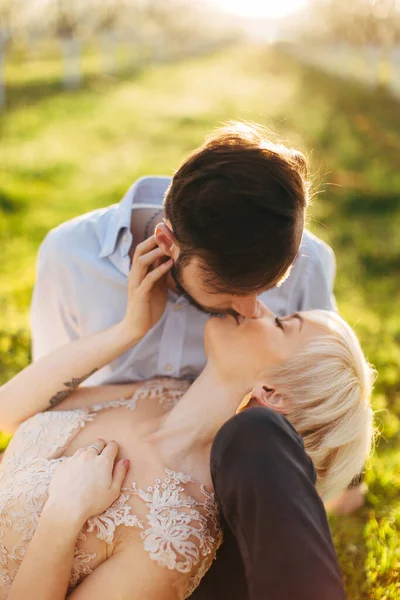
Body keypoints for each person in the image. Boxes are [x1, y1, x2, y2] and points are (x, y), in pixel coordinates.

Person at [28, 121, 361, 597]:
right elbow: (40, 412)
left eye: (268, 292)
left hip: (208, 503)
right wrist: (128, 331)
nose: (252, 307)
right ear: (167, 243)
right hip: (83, 456)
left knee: (257, 435)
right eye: (228, 291)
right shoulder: (70, 259)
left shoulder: (303, 260)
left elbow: (318, 389)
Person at [2, 236, 374, 600]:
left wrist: (63, 517)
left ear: (274, 393)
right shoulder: (159, 392)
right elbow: (7, 412)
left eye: (281, 325)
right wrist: (129, 330)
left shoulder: (175, 536)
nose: (258, 307)